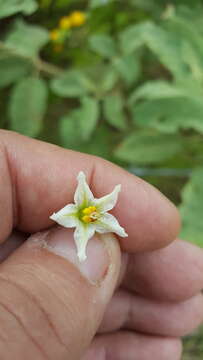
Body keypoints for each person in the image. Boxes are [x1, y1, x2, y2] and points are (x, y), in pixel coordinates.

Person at [0, 129, 202, 360]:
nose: (91, 214)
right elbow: (74, 207)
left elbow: (105, 216)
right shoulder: (81, 212)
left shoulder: (93, 214)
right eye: (90, 213)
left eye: (93, 214)